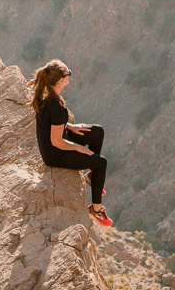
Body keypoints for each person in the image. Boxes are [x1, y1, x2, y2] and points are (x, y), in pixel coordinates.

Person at [28, 58, 112, 227]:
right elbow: (57, 141)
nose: (69, 76)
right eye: (68, 74)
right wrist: (80, 149)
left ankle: (92, 176)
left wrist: (71, 127)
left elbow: (52, 124)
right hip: (54, 154)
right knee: (101, 162)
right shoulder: (55, 105)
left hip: (57, 140)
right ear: (61, 80)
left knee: (97, 132)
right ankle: (96, 209)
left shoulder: (48, 96)